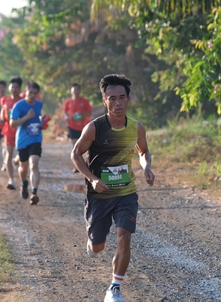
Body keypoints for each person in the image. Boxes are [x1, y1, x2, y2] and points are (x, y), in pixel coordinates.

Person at [70, 74, 155, 302]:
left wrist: (146, 167)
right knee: (98, 247)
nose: (117, 103)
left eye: (122, 98)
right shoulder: (94, 128)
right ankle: (93, 241)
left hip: (126, 193)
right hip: (99, 195)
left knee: (124, 236)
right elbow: (76, 154)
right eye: (112, 98)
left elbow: (143, 151)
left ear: (128, 99)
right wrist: (91, 178)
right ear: (105, 100)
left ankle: (114, 288)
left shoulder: (136, 128)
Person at [10, 81, 44, 205]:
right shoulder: (19, 106)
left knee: (34, 164)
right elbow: (12, 123)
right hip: (22, 140)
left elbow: (38, 117)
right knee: (23, 168)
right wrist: (26, 117)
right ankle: (24, 183)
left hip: (36, 138)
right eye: (30, 92)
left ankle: (34, 192)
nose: (33, 95)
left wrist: (42, 120)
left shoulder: (39, 104)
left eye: (35, 93)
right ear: (25, 92)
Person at [63, 83, 92, 173]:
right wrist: (66, 116)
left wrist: (82, 114)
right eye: (74, 89)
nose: (75, 91)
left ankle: (88, 165)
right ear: (71, 91)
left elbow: (90, 112)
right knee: (75, 147)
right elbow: (64, 111)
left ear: (80, 91)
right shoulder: (68, 101)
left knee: (86, 147)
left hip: (84, 127)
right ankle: (77, 167)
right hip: (72, 126)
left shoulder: (84, 101)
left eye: (77, 89)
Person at [0, 77, 23, 189]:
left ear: (20, 89)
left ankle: (16, 160)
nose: (14, 89)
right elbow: (3, 111)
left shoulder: (23, 101)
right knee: (8, 154)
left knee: (22, 155)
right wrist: (1, 117)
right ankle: (11, 180)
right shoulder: (4, 99)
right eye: (12, 87)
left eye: (16, 87)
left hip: (21, 132)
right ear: (9, 88)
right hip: (8, 131)